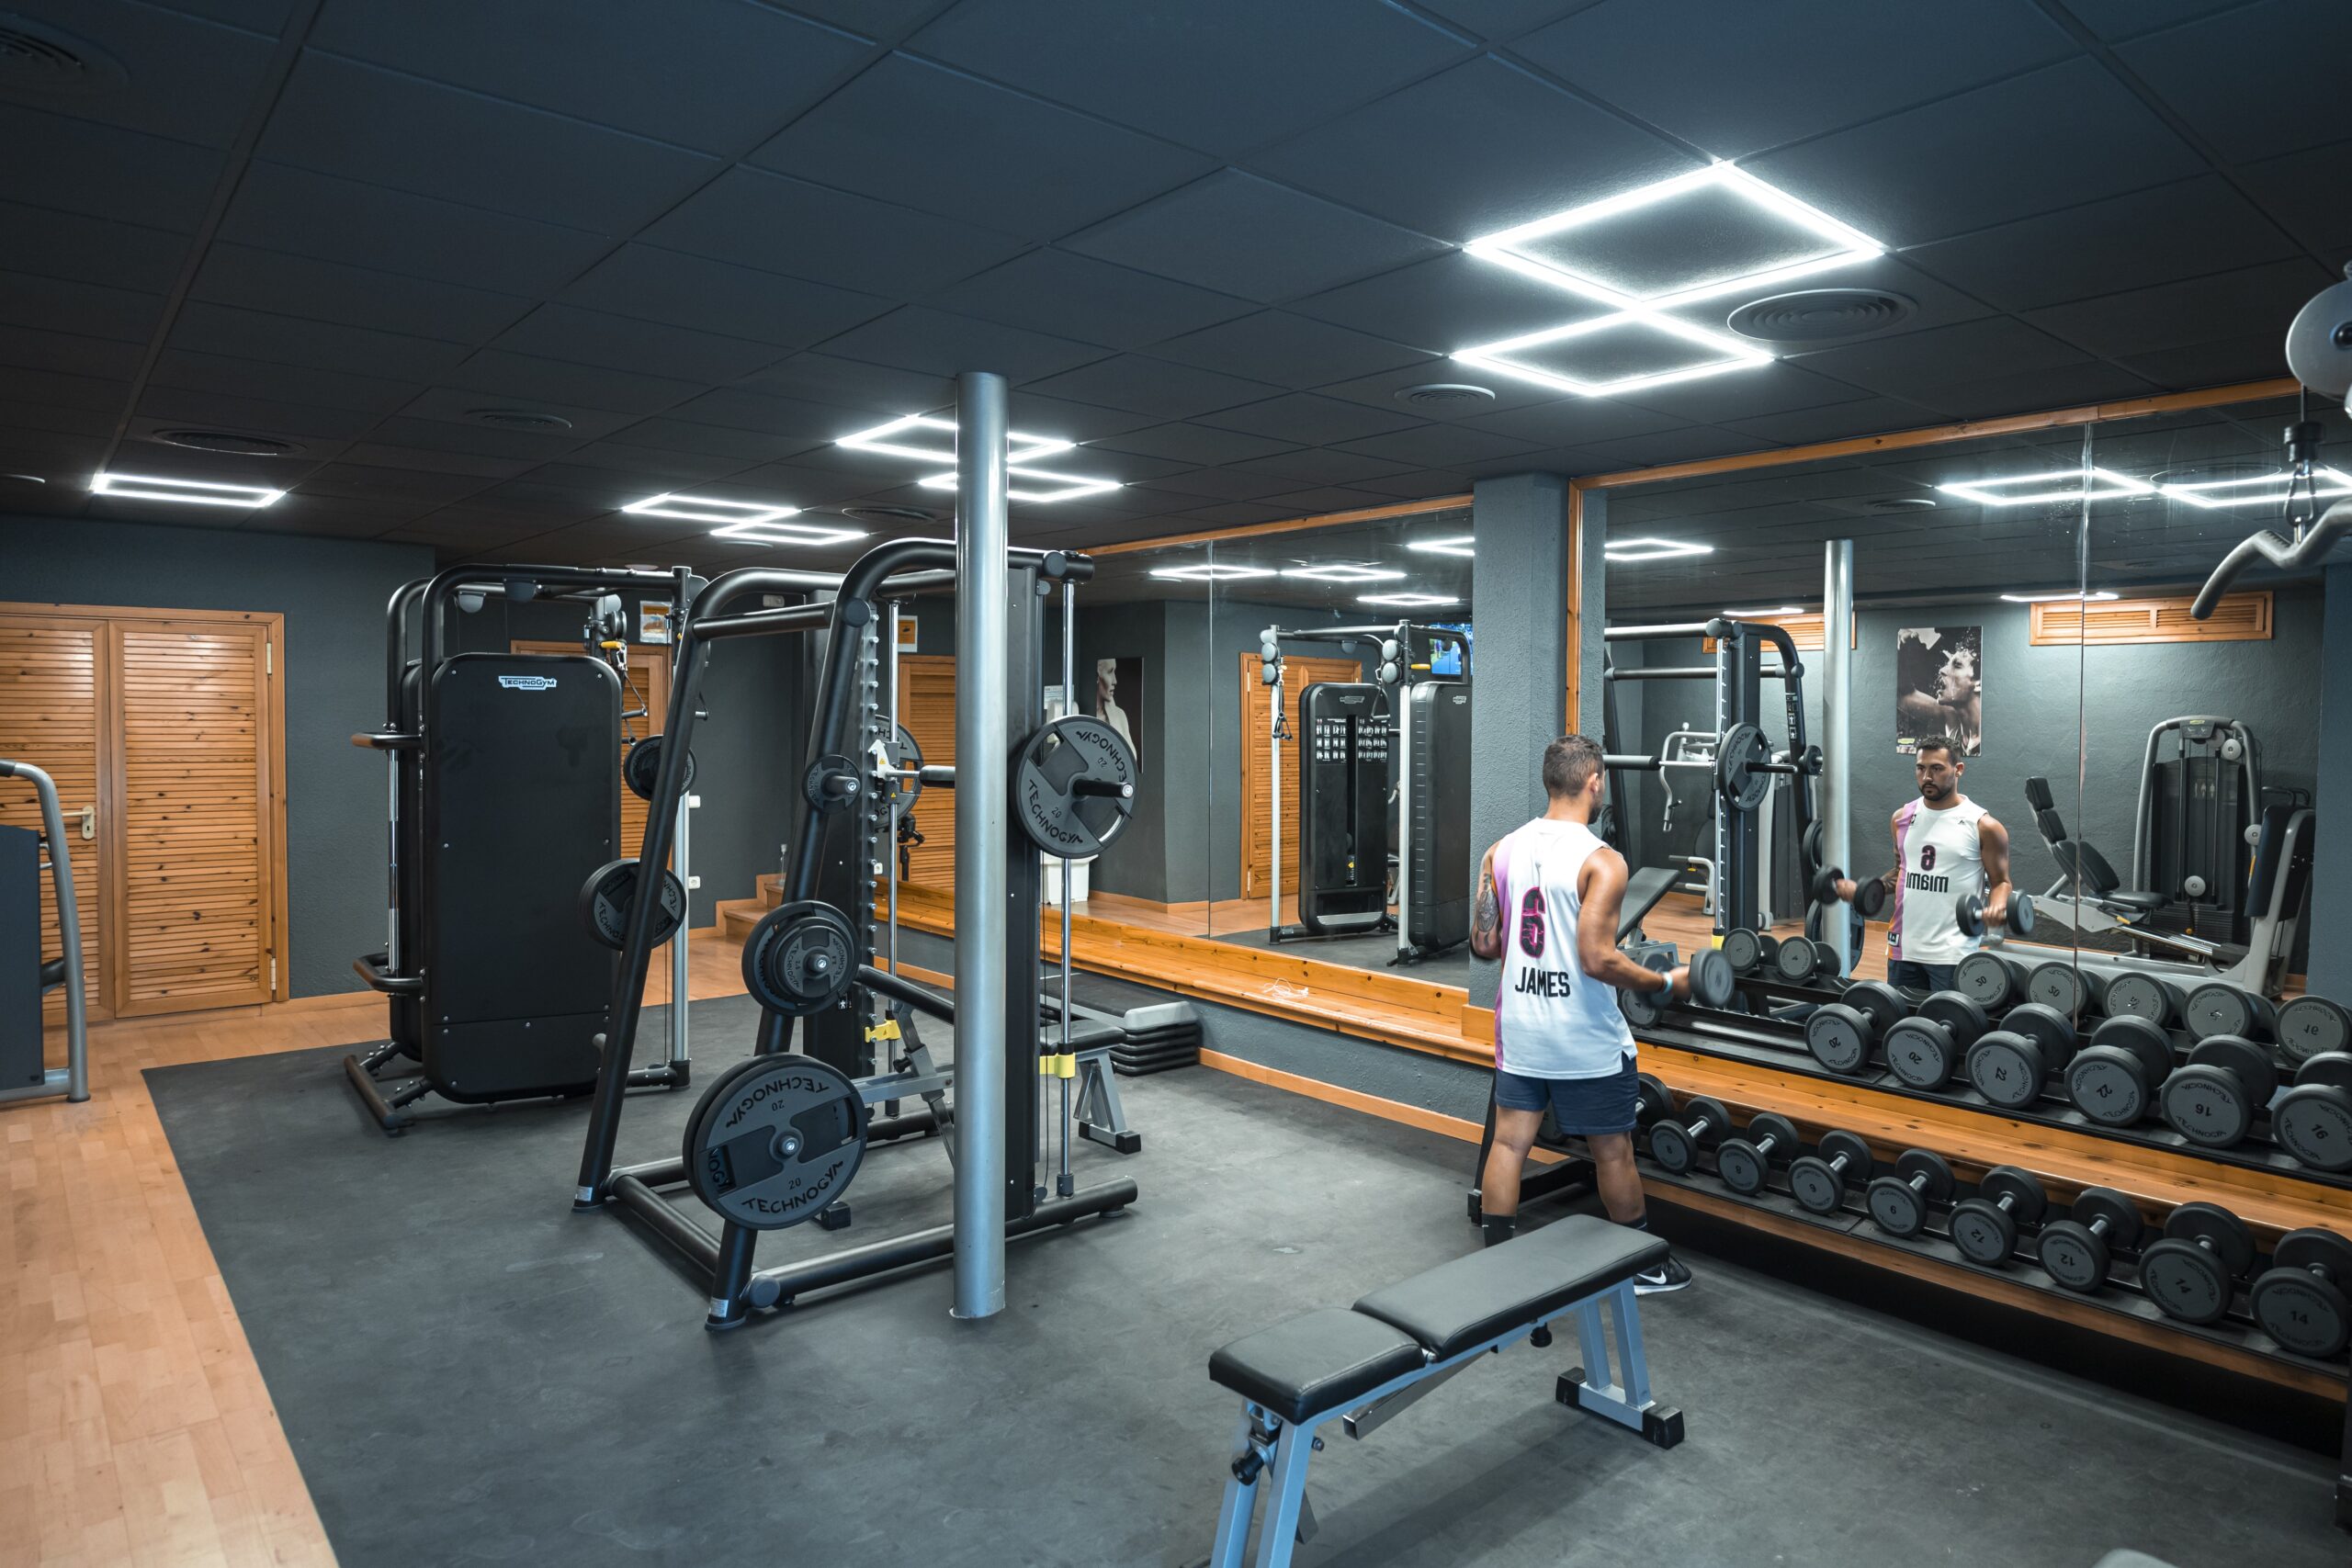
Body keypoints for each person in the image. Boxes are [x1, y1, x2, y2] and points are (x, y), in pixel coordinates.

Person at [1470, 733, 1692, 1293]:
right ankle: (1643, 1268)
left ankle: (1495, 1264)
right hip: (1583, 1036)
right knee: (1612, 1152)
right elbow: (1598, 959)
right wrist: (1664, 982)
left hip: (1520, 1027)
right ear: (1594, 782)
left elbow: (1484, 944)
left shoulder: (1500, 851)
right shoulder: (1603, 861)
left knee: (1508, 1144)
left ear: (1550, 782)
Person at [1826, 734, 2013, 993]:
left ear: (1958, 769)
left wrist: (1998, 907)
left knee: (1945, 1018)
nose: (1927, 777)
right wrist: (1864, 890)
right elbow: (1900, 873)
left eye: (1936, 768)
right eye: (1921, 768)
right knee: (1901, 1016)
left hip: (1953, 951)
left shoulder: (1983, 825)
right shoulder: (1902, 818)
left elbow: (2001, 882)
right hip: (1904, 946)